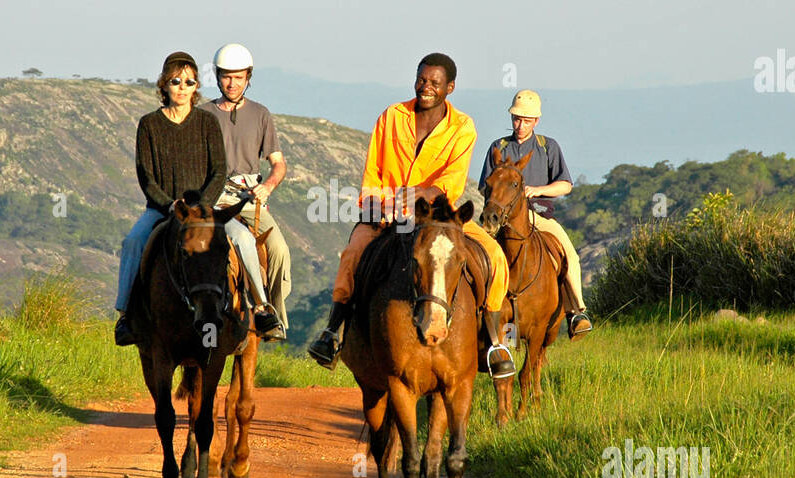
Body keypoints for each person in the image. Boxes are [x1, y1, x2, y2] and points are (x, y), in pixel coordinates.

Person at [307, 53, 517, 379]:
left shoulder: (463, 127)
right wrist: (381, 205)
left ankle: (493, 341)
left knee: (493, 255)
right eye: (422, 80)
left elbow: (451, 182)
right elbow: (372, 175)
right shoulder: (391, 116)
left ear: (450, 87)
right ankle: (332, 332)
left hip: (440, 217)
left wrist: (417, 195)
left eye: (435, 82)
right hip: (386, 213)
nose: (426, 87)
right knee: (352, 254)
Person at [113, 51, 227, 346]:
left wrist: (202, 206)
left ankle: (250, 312)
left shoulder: (208, 123)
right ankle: (125, 315)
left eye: (189, 81)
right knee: (134, 242)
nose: (182, 87)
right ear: (164, 85)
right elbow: (146, 175)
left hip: (202, 211)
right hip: (162, 210)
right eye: (175, 81)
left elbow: (219, 171)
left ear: (196, 87)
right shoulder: (149, 124)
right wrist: (169, 205)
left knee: (238, 239)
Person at [478, 89, 592, 339]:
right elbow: (484, 186)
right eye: (517, 119)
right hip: (501, 219)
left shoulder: (548, 146)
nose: (520, 125)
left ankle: (577, 313)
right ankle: (475, 311)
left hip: (539, 216)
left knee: (570, 255)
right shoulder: (498, 147)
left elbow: (565, 185)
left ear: (536, 121)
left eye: (526, 121)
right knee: (475, 254)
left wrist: (538, 190)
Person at [197, 42, 289, 341]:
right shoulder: (203, 114)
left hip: (250, 198)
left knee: (279, 251)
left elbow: (278, 164)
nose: (231, 83)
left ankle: (273, 316)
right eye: (226, 76)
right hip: (214, 197)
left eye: (238, 77)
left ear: (248, 77)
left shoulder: (261, 114)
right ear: (218, 77)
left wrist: (268, 186)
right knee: (238, 239)